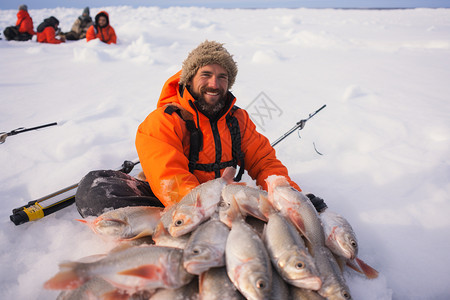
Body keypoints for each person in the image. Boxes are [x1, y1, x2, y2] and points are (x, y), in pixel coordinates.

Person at [75, 40, 326, 217]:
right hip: (177, 204)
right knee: (95, 188)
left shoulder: (238, 119)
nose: (214, 84)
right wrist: (210, 206)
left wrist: (289, 194)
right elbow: (170, 181)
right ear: (190, 78)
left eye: (223, 77)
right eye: (206, 74)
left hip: (225, 199)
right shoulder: (163, 121)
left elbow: (264, 161)